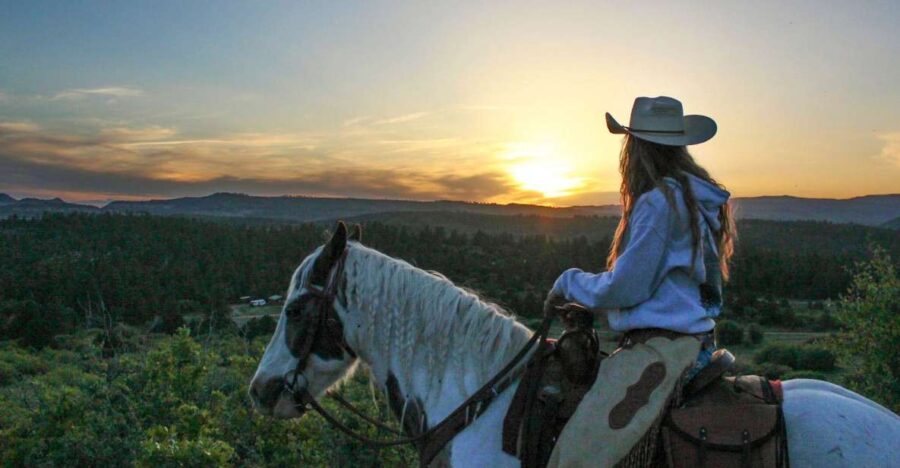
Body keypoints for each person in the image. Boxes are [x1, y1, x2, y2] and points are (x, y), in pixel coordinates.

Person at [546, 96, 736, 467]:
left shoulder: (659, 202)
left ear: (636, 148)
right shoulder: (695, 197)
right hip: (690, 341)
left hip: (661, 347)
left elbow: (627, 287)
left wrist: (568, 283)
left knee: (575, 457)